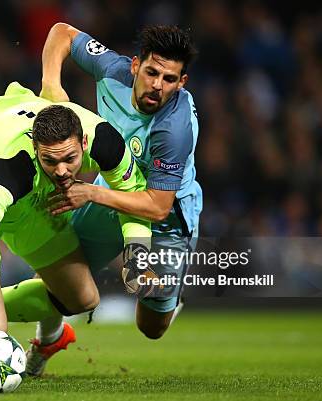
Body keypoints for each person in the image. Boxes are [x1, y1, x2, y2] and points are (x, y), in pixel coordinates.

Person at [0, 82, 152, 364]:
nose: (62, 171)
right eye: (50, 160)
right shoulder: (9, 171)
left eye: (70, 159)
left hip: (33, 201)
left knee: (82, 299)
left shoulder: (105, 142)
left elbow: (133, 196)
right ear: (36, 149)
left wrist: (138, 259)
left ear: (84, 143)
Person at [22, 23, 203, 375]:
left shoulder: (175, 128)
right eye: (151, 72)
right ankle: (48, 340)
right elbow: (62, 33)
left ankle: (170, 297)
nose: (156, 85)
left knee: (151, 327)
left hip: (167, 213)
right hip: (114, 190)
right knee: (61, 272)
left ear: (182, 84)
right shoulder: (112, 70)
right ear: (135, 66)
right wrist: (51, 83)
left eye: (169, 79)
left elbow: (157, 205)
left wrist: (89, 191)